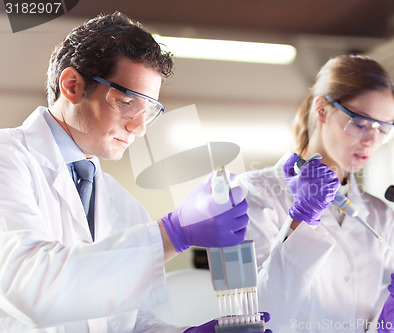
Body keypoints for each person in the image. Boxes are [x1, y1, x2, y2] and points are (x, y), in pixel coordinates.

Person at [0, 12, 268, 332]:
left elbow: (133, 321)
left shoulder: (124, 205)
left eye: (149, 111)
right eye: (127, 102)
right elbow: (31, 287)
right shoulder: (9, 159)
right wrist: (173, 233)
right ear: (72, 86)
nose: (139, 128)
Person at [236, 54, 394, 332]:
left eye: (383, 128)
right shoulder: (255, 193)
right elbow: (254, 316)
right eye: (361, 122)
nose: (371, 140)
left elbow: (372, 315)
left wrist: (389, 325)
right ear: (322, 110)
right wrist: (302, 220)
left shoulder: (381, 215)